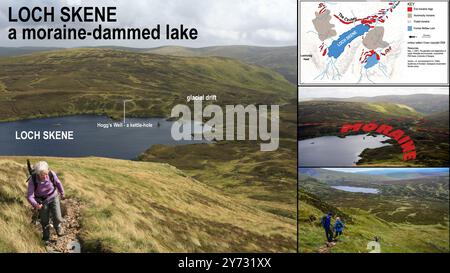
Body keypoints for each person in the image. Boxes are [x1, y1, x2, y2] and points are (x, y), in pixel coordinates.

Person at [27, 161, 65, 242]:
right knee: (44, 220)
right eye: (42, 175)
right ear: (38, 174)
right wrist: (36, 204)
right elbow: (30, 196)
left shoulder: (51, 174)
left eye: (46, 174)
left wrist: (62, 192)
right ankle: (46, 236)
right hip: (41, 201)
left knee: (58, 216)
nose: (45, 176)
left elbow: (58, 183)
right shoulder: (33, 179)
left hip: (53, 197)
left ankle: (58, 228)